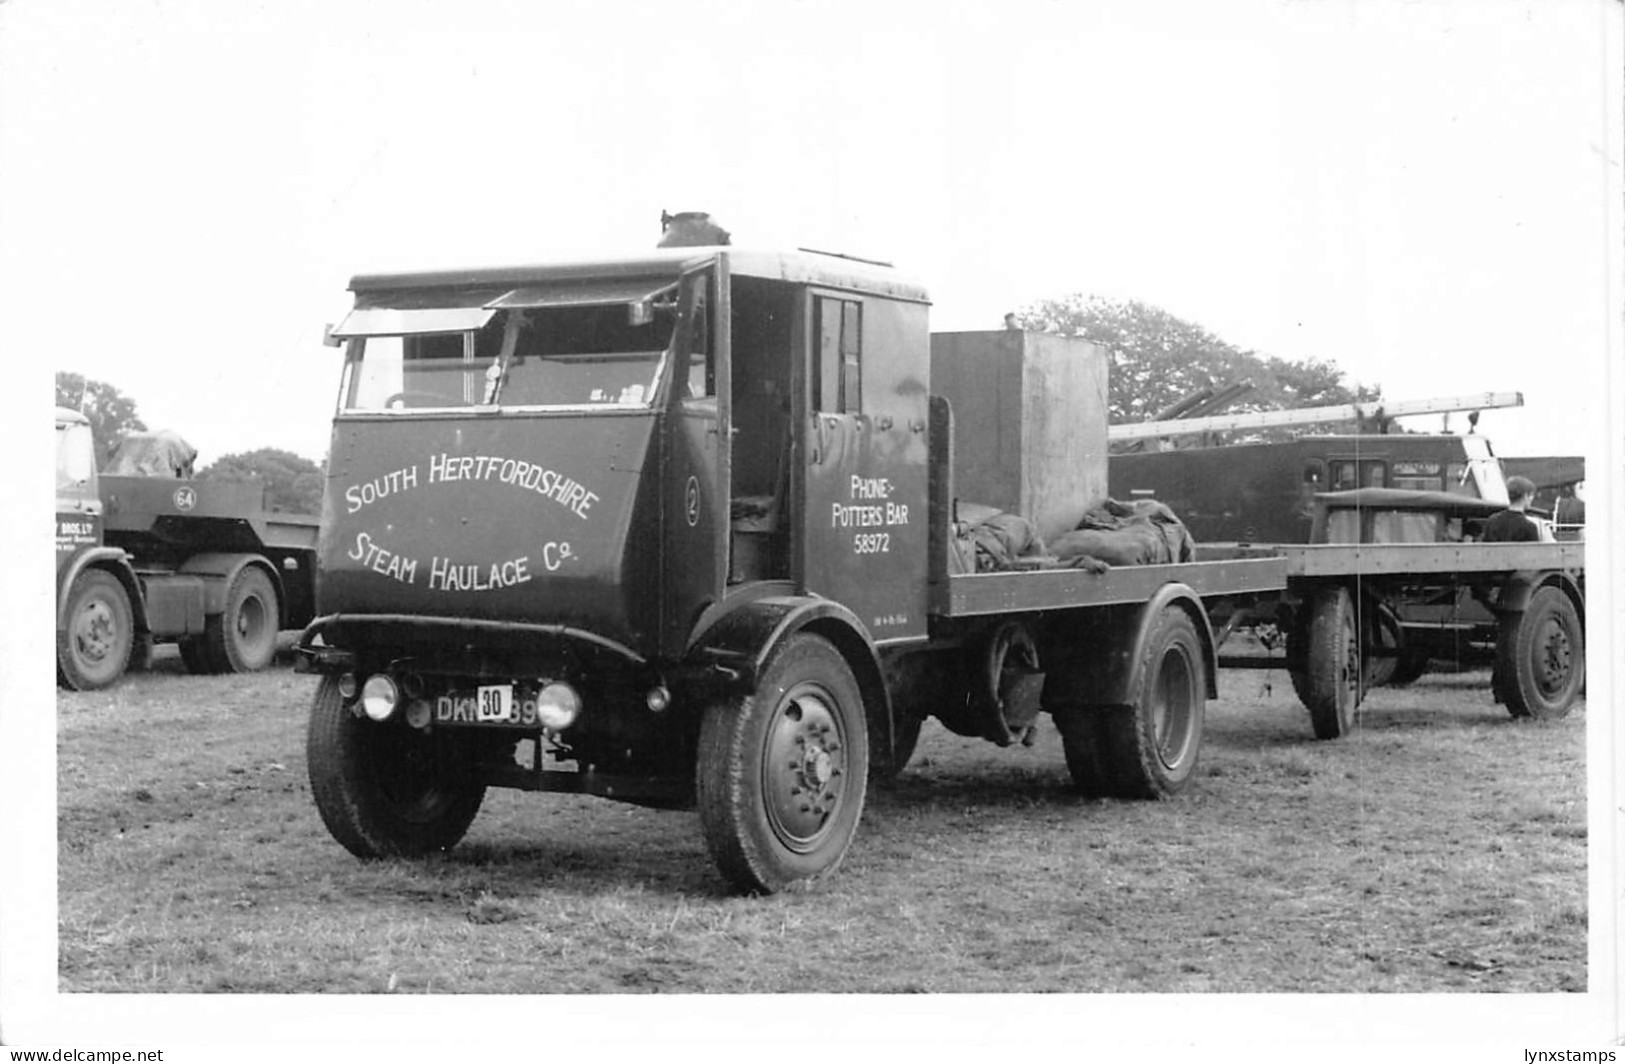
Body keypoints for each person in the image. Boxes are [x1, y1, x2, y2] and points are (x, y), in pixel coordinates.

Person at [1481, 475, 1541, 542]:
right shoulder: (1529, 527)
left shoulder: (1492, 522)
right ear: (1525, 496)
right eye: (1531, 495)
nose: (1532, 498)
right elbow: (1533, 551)